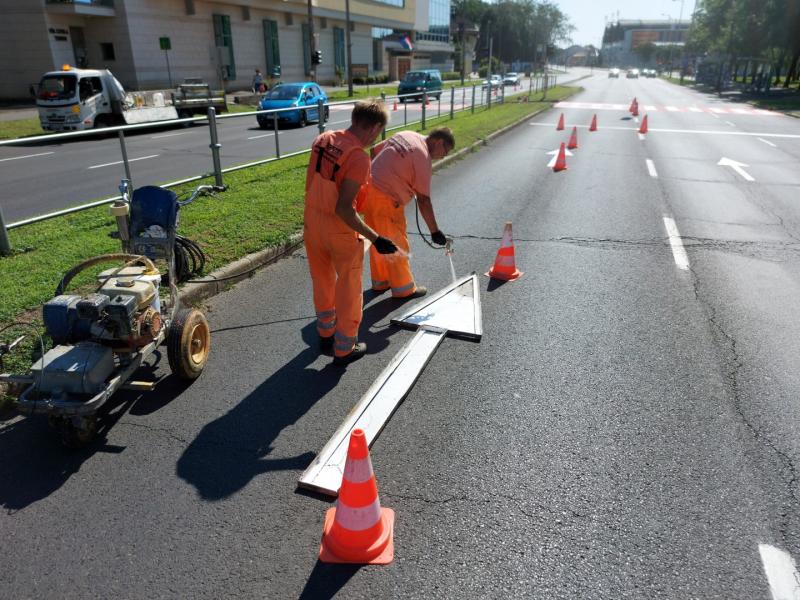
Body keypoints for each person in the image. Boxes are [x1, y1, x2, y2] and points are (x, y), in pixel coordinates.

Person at [304, 99, 398, 365]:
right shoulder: (358, 158)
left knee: (321, 279)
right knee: (348, 286)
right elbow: (344, 209)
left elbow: (312, 183)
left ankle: (325, 332)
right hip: (340, 231)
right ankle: (345, 347)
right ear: (374, 128)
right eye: (378, 133)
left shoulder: (323, 139)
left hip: (312, 222)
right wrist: (375, 238)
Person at [361, 127, 455, 299]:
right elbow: (424, 200)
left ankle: (381, 281)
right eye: (445, 151)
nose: (444, 156)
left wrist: (379, 175)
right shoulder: (422, 157)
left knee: (377, 239)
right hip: (387, 200)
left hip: (368, 192)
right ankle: (403, 288)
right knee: (396, 244)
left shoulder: (407, 135)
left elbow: (374, 152)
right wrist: (435, 231)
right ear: (438, 142)